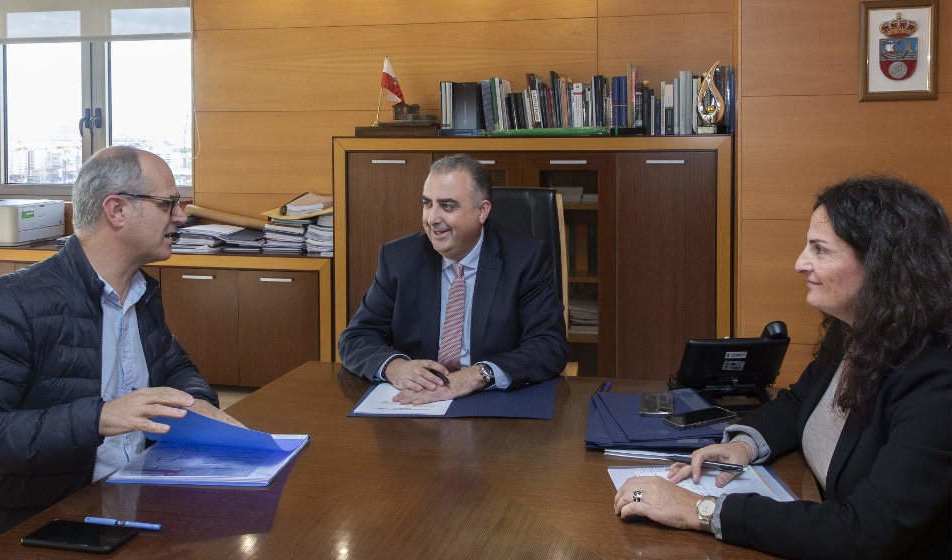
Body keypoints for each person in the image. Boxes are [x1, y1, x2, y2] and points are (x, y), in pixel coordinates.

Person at [613, 177, 952, 559]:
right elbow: (799, 402)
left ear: (882, 266)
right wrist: (744, 444)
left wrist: (700, 509)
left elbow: (864, 533)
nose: (800, 263)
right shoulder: (857, 330)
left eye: (820, 250)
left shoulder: (936, 380)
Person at [0, 146, 242, 553]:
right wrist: (98, 418)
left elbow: (176, 368)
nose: (182, 216)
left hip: (130, 510)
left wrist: (194, 402)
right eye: (168, 204)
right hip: (36, 529)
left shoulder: (142, 292)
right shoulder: (10, 303)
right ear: (117, 211)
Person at [338, 154, 569, 405]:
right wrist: (395, 367)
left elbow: (549, 345)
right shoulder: (399, 259)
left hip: (493, 401)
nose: (432, 218)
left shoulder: (524, 260)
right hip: (419, 405)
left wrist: (476, 376)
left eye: (447, 206)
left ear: (482, 211)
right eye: (427, 204)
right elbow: (356, 338)